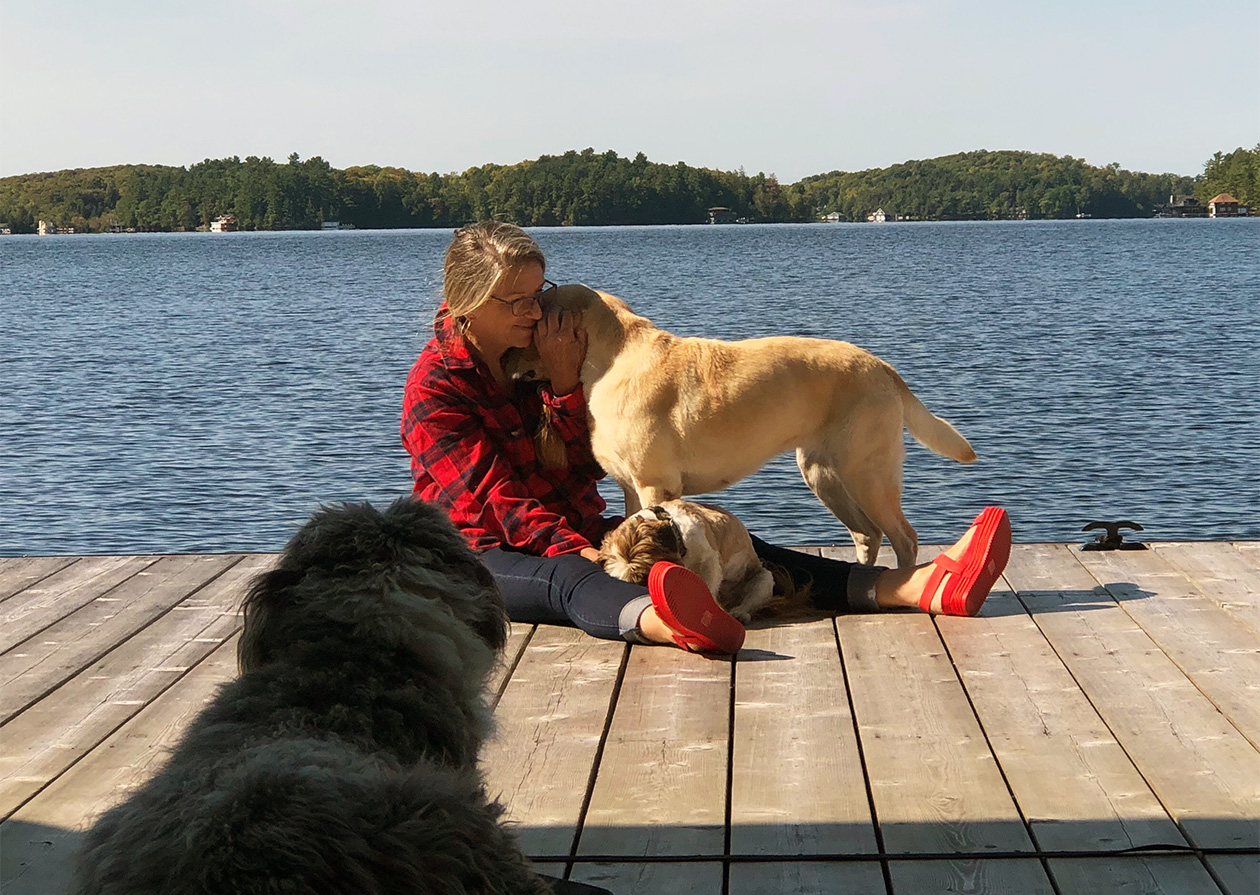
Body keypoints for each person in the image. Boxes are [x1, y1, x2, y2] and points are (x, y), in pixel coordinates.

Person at [401, 221, 1012, 655]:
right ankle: (667, 622)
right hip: (477, 553)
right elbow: (502, 505)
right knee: (576, 579)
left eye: (538, 297)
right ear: (467, 303)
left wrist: (565, 385)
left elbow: (579, 473)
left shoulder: (541, 356)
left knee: (747, 547)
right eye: (516, 303)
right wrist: (594, 548)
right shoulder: (435, 389)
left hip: (571, 526)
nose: (536, 314)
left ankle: (917, 584)